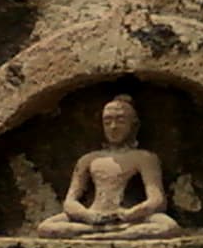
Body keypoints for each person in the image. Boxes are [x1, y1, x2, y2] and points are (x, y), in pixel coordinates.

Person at [35, 93, 181, 239]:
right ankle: (100, 233)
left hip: (128, 219)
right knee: (45, 228)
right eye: (107, 121)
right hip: (93, 218)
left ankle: (111, 235)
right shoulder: (89, 159)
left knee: (169, 227)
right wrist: (88, 215)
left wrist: (130, 214)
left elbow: (157, 200)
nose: (113, 127)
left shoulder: (144, 158)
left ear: (134, 124)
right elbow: (70, 201)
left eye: (120, 121)